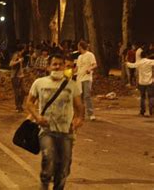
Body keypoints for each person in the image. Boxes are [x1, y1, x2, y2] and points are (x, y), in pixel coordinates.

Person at [26, 54, 84, 190]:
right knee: (49, 158)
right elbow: (29, 102)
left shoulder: (72, 85)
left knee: (64, 167)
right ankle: (44, 184)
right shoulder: (39, 83)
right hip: (46, 131)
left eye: (60, 64)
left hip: (66, 132)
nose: (57, 67)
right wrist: (37, 117)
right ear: (48, 67)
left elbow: (79, 106)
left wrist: (79, 118)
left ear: (64, 67)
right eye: (54, 64)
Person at [126, 50, 154, 117]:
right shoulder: (150, 61)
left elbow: (132, 65)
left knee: (142, 97)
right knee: (151, 96)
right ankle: (151, 111)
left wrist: (126, 63)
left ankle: (142, 111)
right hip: (149, 81)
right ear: (147, 55)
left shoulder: (139, 62)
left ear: (140, 56)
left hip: (141, 82)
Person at [76, 40, 97, 121]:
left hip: (87, 78)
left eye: (78, 46)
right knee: (79, 97)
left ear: (81, 46)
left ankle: (91, 114)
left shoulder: (90, 55)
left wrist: (89, 69)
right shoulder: (79, 57)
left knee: (87, 96)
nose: (77, 47)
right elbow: (77, 68)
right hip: (79, 78)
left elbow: (94, 64)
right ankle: (81, 114)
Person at [9, 47, 25, 112]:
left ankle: (20, 104)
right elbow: (10, 64)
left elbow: (21, 67)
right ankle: (18, 106)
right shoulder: (14, 59)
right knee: (17, 92)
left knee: (23, 91)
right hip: (14, 77)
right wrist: (18, 61)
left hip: (20, 76)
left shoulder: (20, 59)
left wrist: (22, 74)